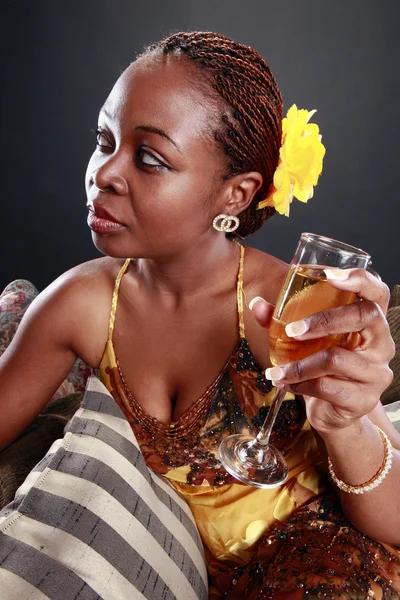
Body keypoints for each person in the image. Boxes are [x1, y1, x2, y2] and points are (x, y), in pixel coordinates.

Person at [0, 30, 399, 598]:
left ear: (235, 195)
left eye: (149, 158)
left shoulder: (284, 309)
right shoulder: (81, 306)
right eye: (103, 139)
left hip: (335, 567)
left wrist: (346, 426)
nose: (105, 173)